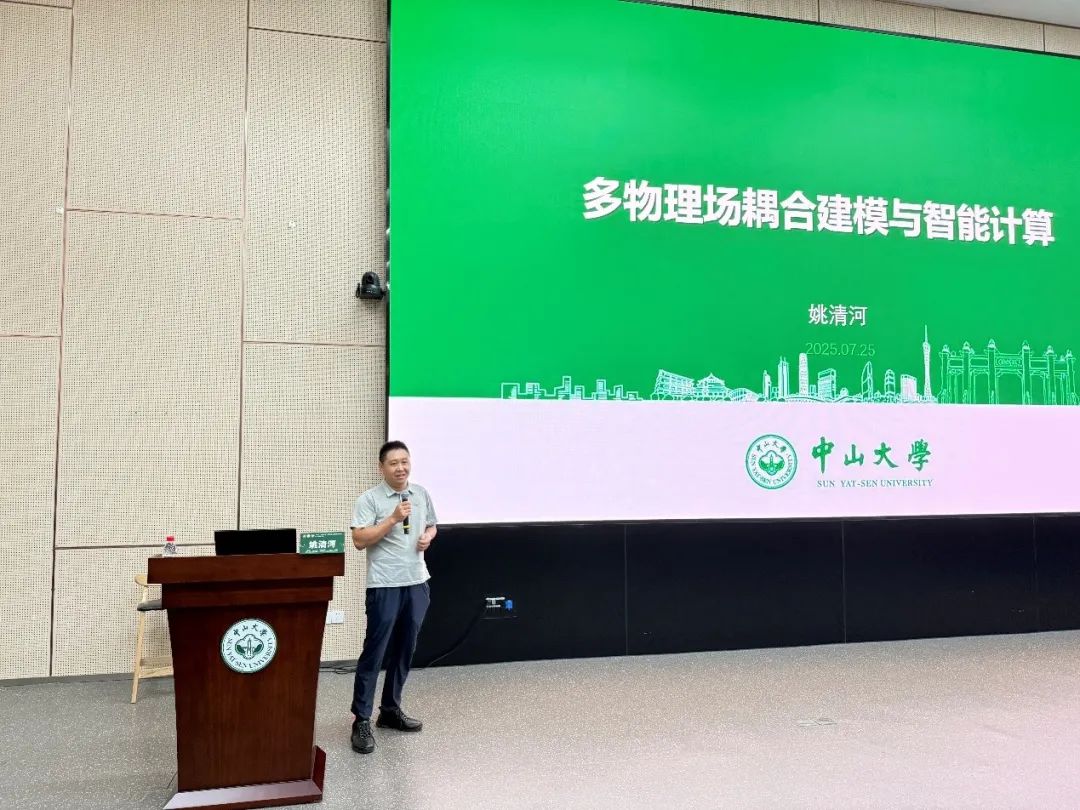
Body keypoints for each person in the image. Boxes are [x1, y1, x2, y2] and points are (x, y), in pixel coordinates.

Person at [348, 440, 438, 755]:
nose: (401, 468)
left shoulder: (421, 493)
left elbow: (432, 525)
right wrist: (391, 519)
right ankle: (361, 719)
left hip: (417, 582)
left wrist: (427, 536)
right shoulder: (369, 499)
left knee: (404, 649)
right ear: (381, 468)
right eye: (393, 463)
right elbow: (359, 539)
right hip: (385, 585)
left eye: (405, 461)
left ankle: (389, 710)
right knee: (375, 651)